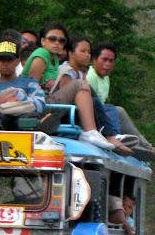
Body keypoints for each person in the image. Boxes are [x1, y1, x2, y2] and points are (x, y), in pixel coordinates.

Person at [22, 22, 130, 153]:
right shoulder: (41, 55)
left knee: (101, 103)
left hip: (48, 103)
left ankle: (109, 134)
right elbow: (30, 88)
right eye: (52, 39)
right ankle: (92, 132)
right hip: (38, 108)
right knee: (81, 85)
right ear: (43, 41)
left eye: (61, 40)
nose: (57, 43)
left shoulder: (54, 60)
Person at [52, 36, 136, 151]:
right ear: (71, 53)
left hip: (75, 113)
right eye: (83, 51)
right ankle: (109, 135)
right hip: (65, 115)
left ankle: (111, 135)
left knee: (106, 106)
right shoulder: (67, 71)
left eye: (89, 52)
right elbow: (65, 101)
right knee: (95, 102)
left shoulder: (79, 74)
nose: (87, 55)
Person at [87, 42, 155, 160]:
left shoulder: (105, 78)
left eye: (111, 61)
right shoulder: (91, 76)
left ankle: (145, 146)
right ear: (94, 60)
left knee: (119, 111)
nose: (108, 64)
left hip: (101, 113)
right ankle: (115, 136)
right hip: (91, 114)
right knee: (115, 109)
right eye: (104, 60)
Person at [0, 40, 45, 130]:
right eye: (2, 60)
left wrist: (17, 95)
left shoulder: (30, 83)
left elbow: (41, 105)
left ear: (17, 61)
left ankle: (36, 126)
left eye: (9, 60)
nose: (5, 63)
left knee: (29, 117)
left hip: (22, 119)